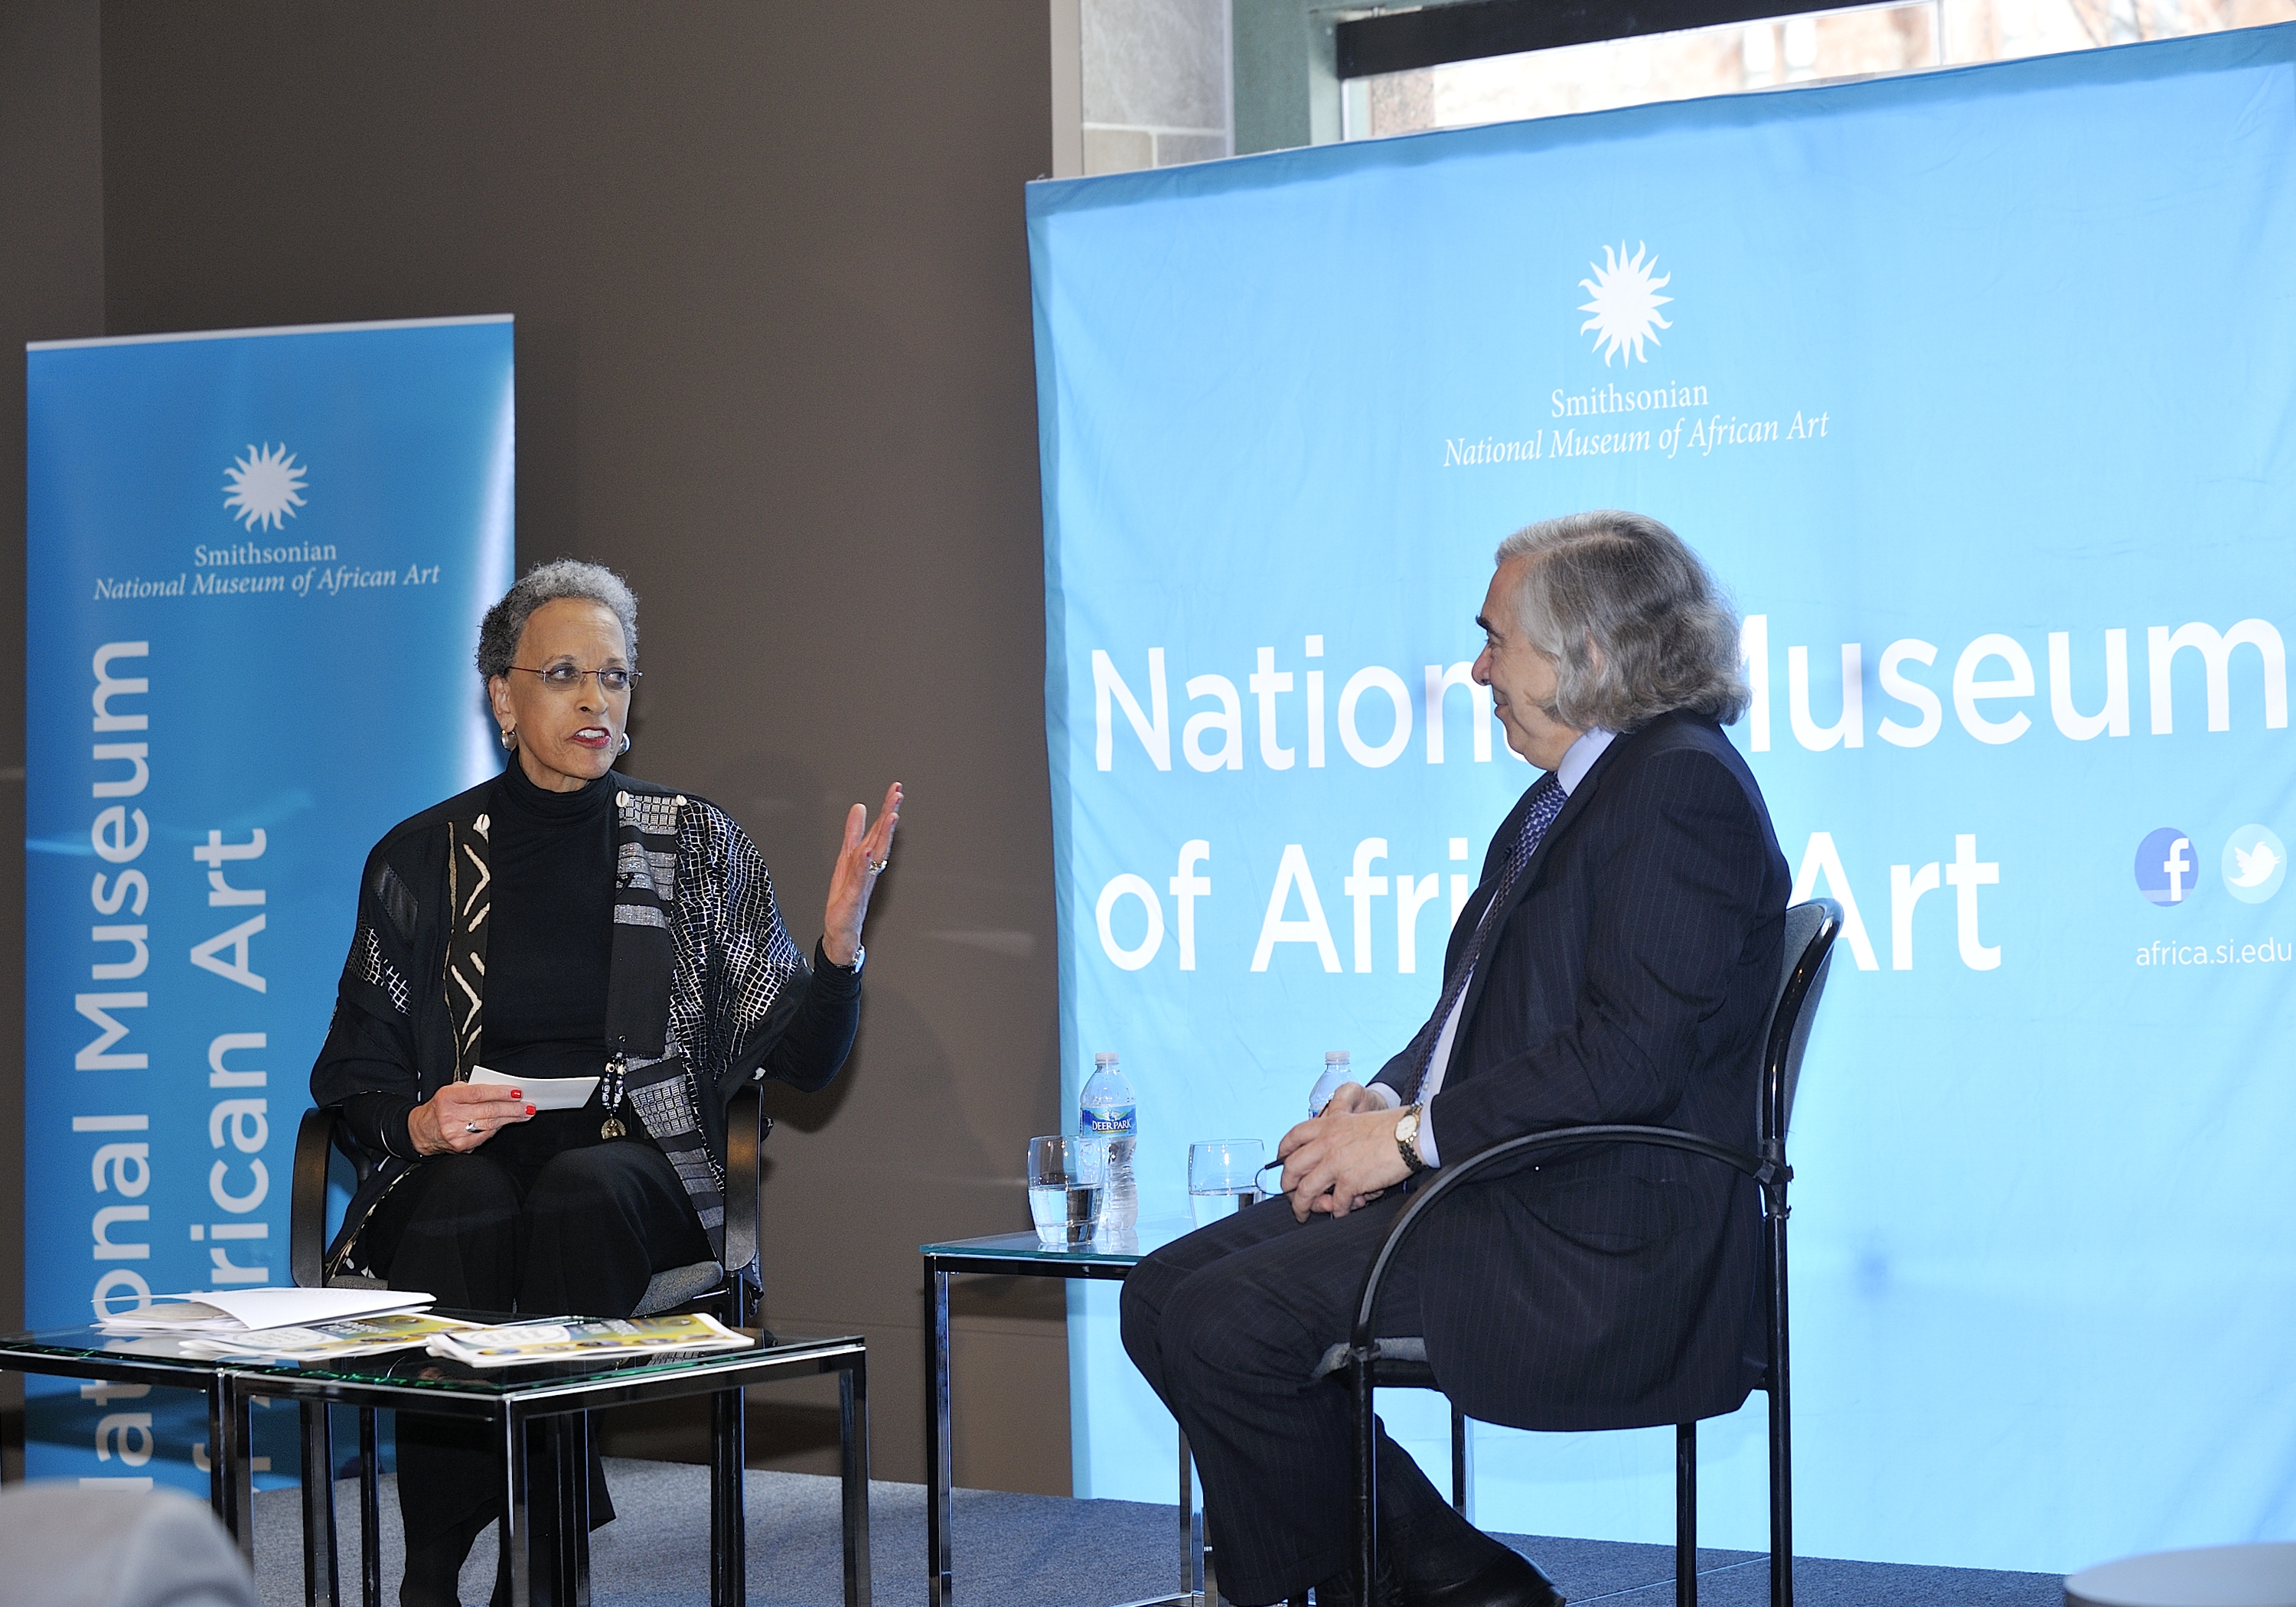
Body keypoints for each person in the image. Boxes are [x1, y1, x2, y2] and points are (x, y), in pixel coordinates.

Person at [1120, 511, 1789, 1607]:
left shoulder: (1679, 790)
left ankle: (1337, 1585)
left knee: (1224, 1322)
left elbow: (1628, 1058)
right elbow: (1474, 1010)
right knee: (1162, 1294)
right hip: (1512, 1185)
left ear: (1591, 656)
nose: (1476, 668)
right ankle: (1442, 1576)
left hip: (1597, 1231)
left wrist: (1404, 1141)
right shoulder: (1573, 796)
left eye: (1496, 640)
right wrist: (1389, 1094)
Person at [309, 559, 899, 1607]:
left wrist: (840, 951)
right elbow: (351, 1077)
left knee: (582, 1194)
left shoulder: (698, 846)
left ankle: (542, 1558)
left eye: (616, 678)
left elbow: (800, 1065)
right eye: (566, 674)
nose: (596, 701)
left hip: (636, 1163)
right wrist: (419, 1120)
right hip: (467, 1156)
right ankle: (436, 1560)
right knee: (464, 1204)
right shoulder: (419, 857)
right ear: (504, 695)